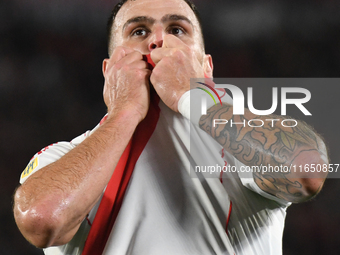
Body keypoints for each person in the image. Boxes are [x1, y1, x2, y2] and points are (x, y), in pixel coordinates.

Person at [13, 0, 328, 254]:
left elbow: (306, 171)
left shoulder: (237, 147)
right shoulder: (64, 156)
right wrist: (125, 110)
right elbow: (43, 221)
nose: (158, 40)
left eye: (178, 29)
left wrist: (191, 94)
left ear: (206, 66)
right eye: (138, 31)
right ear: (110, 70)